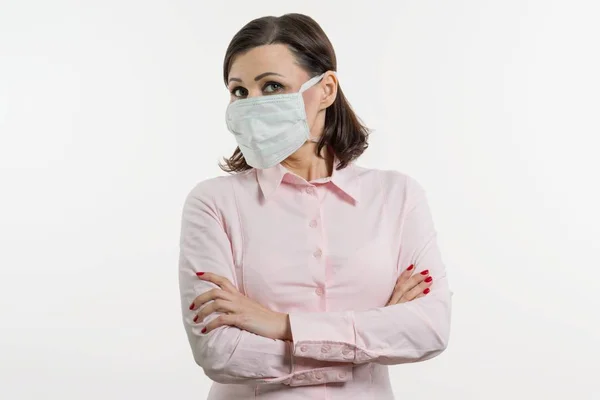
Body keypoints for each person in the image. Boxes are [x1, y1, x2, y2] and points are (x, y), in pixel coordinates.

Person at [178, 13, 452, 400]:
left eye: (272, 86)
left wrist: (280, 325)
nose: (252, 104)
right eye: (239, 92)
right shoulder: (214, 203)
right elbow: (220, 354)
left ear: (326, 89)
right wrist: (372, 339)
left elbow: (429, 330)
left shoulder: (398, 196)